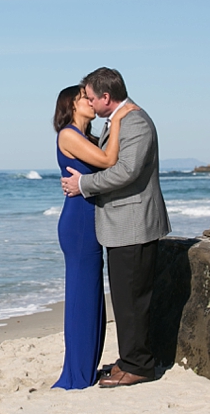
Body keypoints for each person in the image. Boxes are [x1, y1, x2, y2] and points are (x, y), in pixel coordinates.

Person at [61, 67, 171, 388]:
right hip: (123, 225)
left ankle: (139, 365)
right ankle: (130, 359)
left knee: (133, 299)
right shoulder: (119, 120)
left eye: (92, 98)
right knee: (125, 299)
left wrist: (83, 184)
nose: (91, 104)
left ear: (106, 97)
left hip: (134, 224)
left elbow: (126, 172)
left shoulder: (135, 121)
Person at [51, 84, 138, 390]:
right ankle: (76, 375)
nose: (90, 102)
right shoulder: (68, 135)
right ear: (71, 105)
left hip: (90, 221)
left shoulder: (86, 136)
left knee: (91, 298)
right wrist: (116, 120)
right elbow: (109, 162)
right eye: (84, 99)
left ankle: (84, 369)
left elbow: (101, 168)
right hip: (78, 225)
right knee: (81, 298)